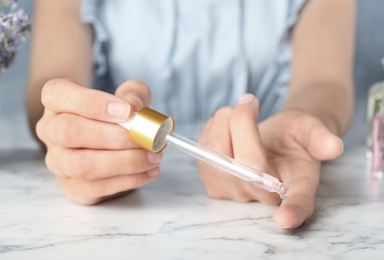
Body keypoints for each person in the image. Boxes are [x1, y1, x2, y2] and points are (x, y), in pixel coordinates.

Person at [26, 0, 355, 229]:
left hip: (265, 166)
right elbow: (49, 90)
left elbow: (325, 83)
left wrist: (304, 118)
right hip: (132, 210)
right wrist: (75, 130)